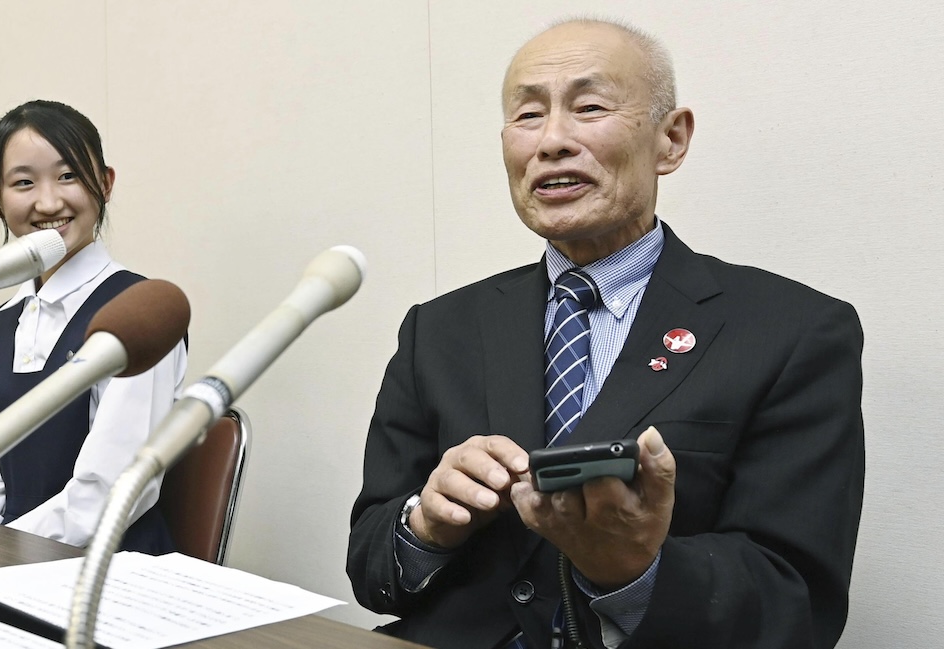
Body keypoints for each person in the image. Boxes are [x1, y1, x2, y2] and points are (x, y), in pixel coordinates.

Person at [347, 18, 864, 649]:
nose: (553, 141)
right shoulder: (440, 328)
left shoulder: (793, 332)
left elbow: (799, 605)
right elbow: (370, 569)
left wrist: (634, 570)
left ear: (670, 140)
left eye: (590, 108)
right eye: (528, 116)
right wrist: (427, 525)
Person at [0, 99, 187, 554]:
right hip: (8, 569)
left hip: (109, 575)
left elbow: (109, 491)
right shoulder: (3, 322)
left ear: (104, 183)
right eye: (24, 182)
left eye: (68, 176)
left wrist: (3, 555)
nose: (49, 201)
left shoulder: (138, 315)